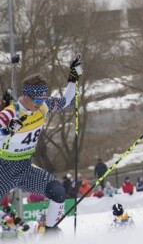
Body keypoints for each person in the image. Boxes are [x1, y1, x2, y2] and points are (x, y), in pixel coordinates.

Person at [0, 56, 83, 236]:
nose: (40, 104)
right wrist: (6, 131)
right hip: (3, 169)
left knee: (58, 192)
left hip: (25, 168)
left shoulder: (43, 106)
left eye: (43, 100)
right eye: (37, 101)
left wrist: (73, 77)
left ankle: (51, 234)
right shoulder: (9, 114)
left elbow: (66, 101)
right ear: (25, 96)